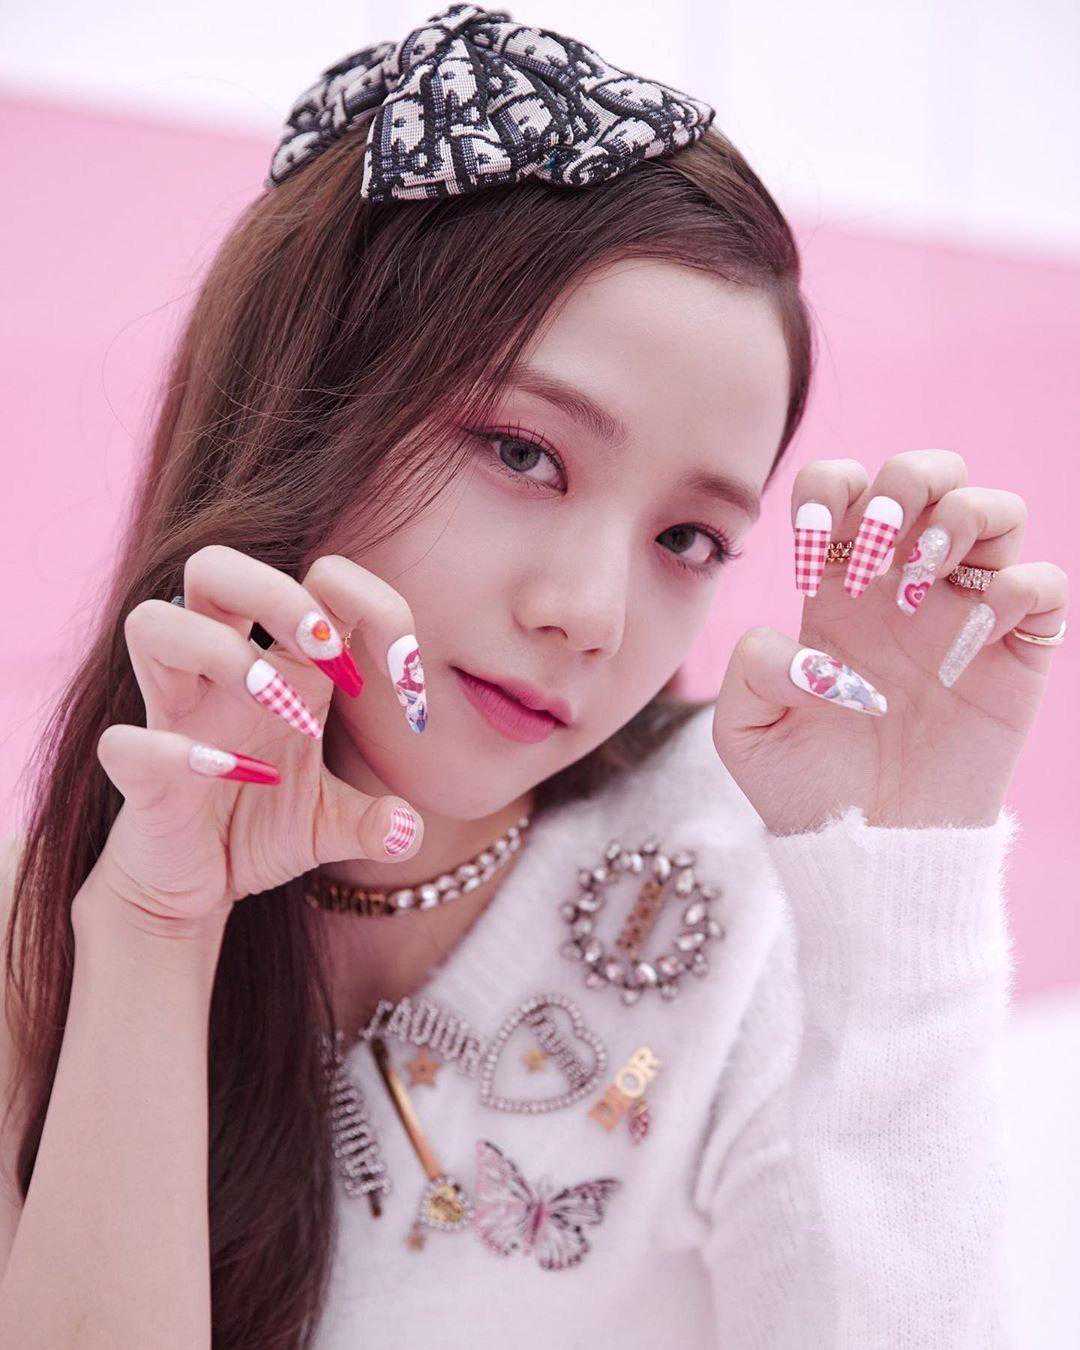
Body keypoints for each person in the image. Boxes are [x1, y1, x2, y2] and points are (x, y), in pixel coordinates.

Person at [0, 4, 1068, 1347]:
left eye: (688, 538)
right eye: (523, 453)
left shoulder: (754, 871)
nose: (588, 615)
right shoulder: (66, 913)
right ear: (309, 402)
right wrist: (161, 933)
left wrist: (901, 883)